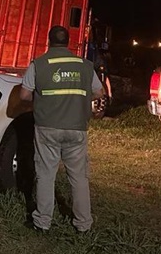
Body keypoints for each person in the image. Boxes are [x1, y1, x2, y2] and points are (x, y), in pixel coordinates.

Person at [19, 25, 104, 233]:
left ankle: (42, 222)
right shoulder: (85, 65)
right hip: (76, 128)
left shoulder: (39, 64)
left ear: (49, 41)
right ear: (68, 42)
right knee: (79, 177)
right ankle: (83, 224)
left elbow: (23, 96)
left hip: (47, 127)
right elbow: (99, 92)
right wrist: (78, 99)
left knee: (46, 174)